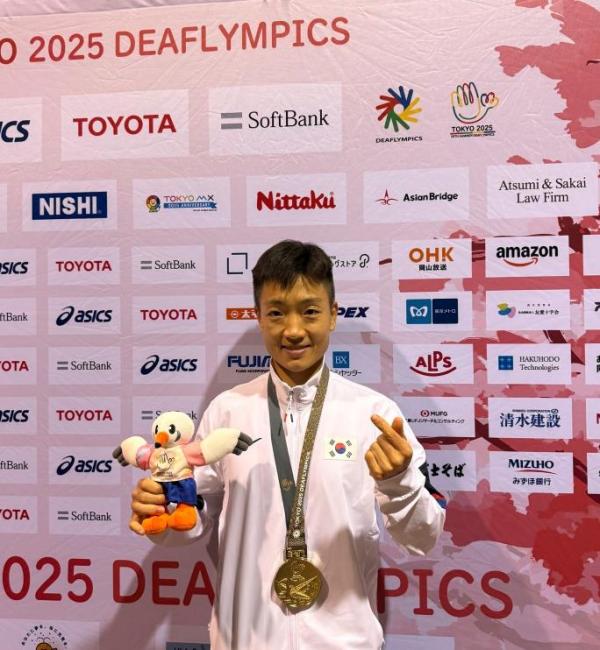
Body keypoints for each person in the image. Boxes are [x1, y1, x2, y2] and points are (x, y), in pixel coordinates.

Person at [130, 240, 446, 650]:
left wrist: (399, 483)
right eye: (277, 312)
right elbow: (193, 520)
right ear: (259, 317)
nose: (293, 330)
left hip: (343, 643)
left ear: (333, 315)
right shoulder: (227, 410)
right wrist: (164, 510)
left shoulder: (374, 414)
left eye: (310, 311)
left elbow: (423, 538)